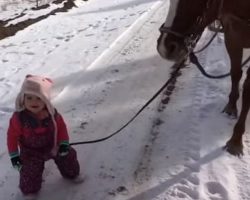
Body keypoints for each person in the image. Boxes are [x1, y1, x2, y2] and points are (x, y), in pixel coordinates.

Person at [7, 74, 83, 200]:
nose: (33, 102)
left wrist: (63, 143)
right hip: (30, 151)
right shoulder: (18, 118)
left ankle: (71, 174)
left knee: (68, 154)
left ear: (46, 100)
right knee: (29, 168)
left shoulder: (52, 115)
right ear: (22, 99)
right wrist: (14, 155)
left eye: (38, 98)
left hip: (51, 145)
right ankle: (30, 190)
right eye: (29, 98)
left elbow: (61, 128)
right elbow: (12, 136)